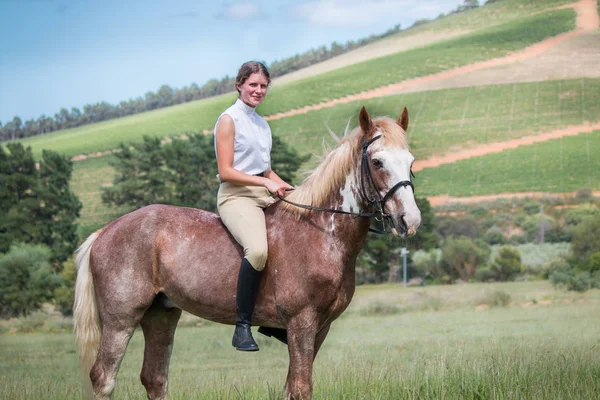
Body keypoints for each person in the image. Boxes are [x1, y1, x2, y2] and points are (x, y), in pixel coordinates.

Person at [214, 61, 294, 351]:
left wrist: (293, 190)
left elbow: (267, 171)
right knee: (258, 250)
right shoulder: (228, 119)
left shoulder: (262, 124)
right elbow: (226, 171)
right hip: (235, 196)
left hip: (261, 191)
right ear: (239, 85)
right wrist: (266, 185)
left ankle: (274, 321)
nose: (259, 90)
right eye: (253, 85)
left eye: (263, 86)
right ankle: (242, 325)